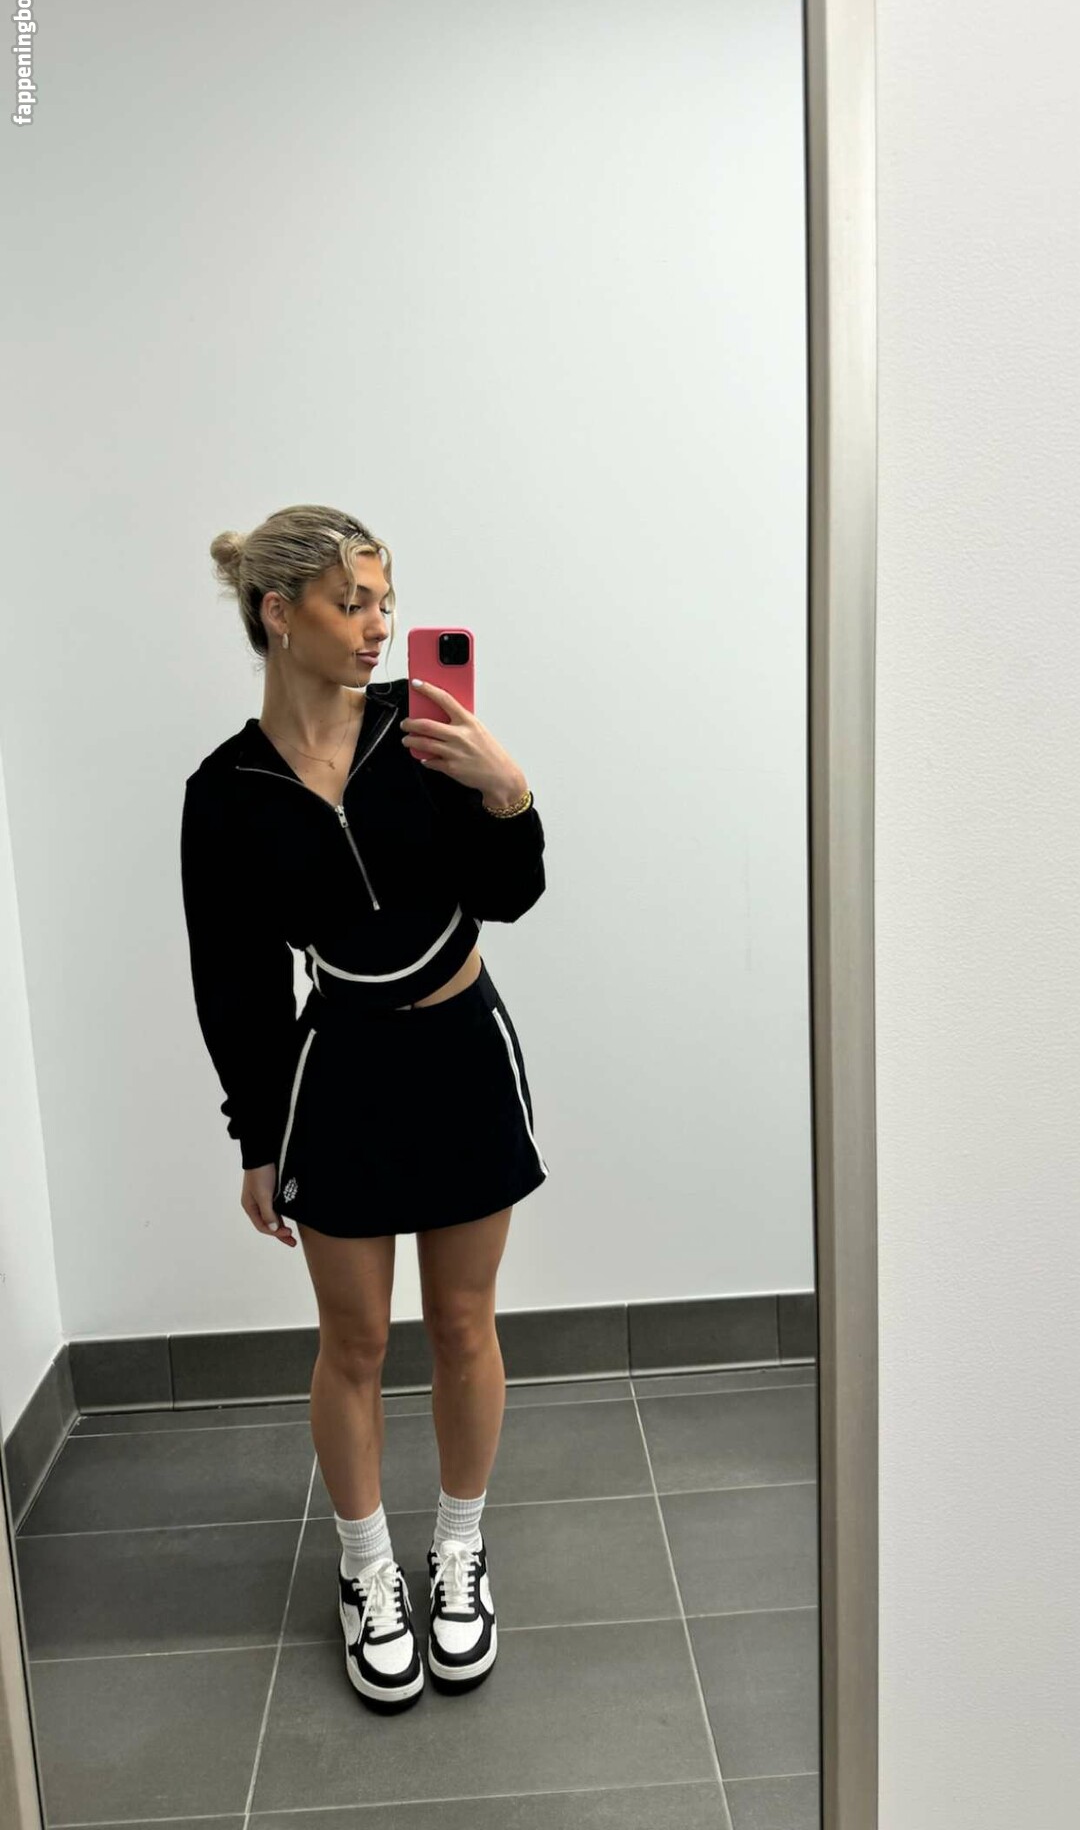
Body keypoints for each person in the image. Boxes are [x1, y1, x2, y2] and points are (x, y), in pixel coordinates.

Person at [179, 504, 548, 1712]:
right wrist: (257, 1137)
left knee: (463, 1324)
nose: (380, 627)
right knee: (354, 1344)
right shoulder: (225, 793)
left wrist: (508, 794)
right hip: (339, 1072)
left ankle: (459, 1551)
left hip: (462, 1049)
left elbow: (511, 895)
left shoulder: (420, 728)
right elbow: (236, 983)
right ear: (279, 615)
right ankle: (366, 1569)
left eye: (387, 601)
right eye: (354, 605)